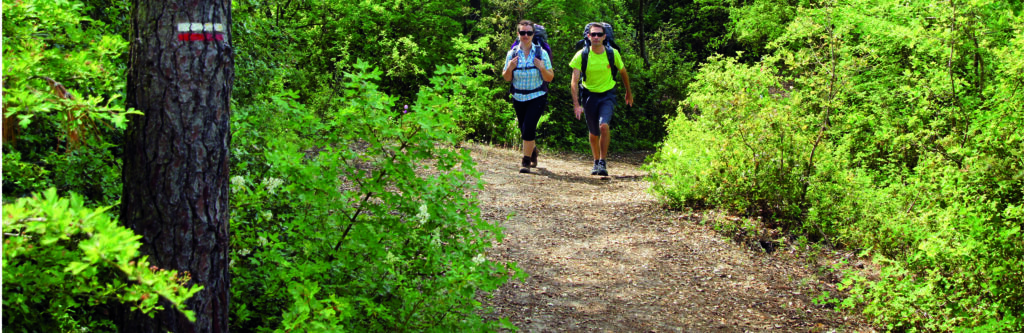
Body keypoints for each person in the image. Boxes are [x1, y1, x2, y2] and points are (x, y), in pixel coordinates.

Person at [570, 22, 633, 176]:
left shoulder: (612, 53)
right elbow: (574, 81)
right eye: (593, 34)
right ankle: (596, 161)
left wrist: (628, 92)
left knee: (603, 125)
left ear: (605, 37)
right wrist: (576, 104)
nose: (596, 37)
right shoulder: (581, 55)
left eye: (599, 34)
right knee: (593, 131)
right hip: (589, 95)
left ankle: (602, 162)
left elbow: (623, 72)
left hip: (607, 94)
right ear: (588, 36)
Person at [502, 20, 554, 173]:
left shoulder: (541, 53)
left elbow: (550, 77)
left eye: (529, 32)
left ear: (533, 34)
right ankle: (533, 151)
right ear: (518, 34)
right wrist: (509, 68)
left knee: (528, 127)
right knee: (523, 129)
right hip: (518, 96)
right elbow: (506, 78)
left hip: (537, 96)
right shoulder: (512, 54)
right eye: (523, 32)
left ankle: (525, 161)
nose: (526, 35)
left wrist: (542, 68)